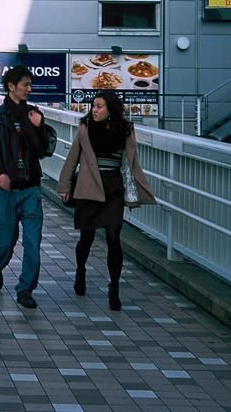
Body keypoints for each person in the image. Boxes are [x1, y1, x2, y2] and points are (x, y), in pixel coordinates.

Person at [57, 90, 155, 310]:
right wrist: (64, 186)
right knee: (87, 237)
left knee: (113, 236)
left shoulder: (126, 130)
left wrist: (135, 191)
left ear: (111, 110)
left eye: (99, 106)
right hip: (89, 188)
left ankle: (115, 287)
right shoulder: (85, 128)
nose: (94, 110)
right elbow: (73, 158)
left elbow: (131, 162)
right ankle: (80, 271)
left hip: (113, 189)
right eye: (93, 106)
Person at [0, 65, 52, 310]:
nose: (29, 89)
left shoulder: (34, 114)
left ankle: (25, 289)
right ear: (12, 86)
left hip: (31, 187)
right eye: (26, 84)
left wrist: (39, 126)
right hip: (6, 190)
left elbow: (45, 150)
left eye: (30, 85)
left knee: (33, 241)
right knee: (6, 239)